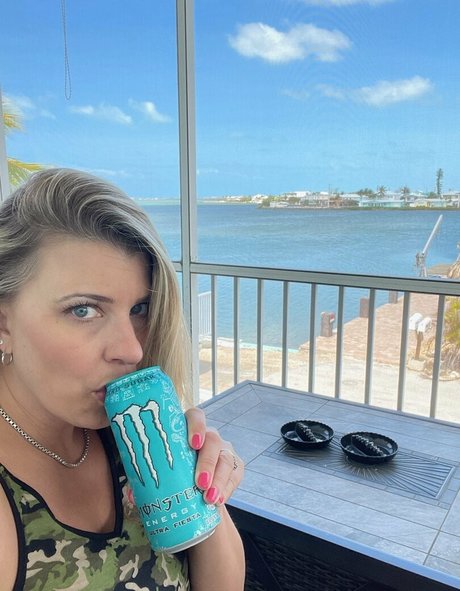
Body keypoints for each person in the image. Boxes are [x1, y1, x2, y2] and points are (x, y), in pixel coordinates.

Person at [0, 168, 245, 590]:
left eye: (139, 309)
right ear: (3, 323)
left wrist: (202, 492)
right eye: (83, 310)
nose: (132, 350)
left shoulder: (127, 432)